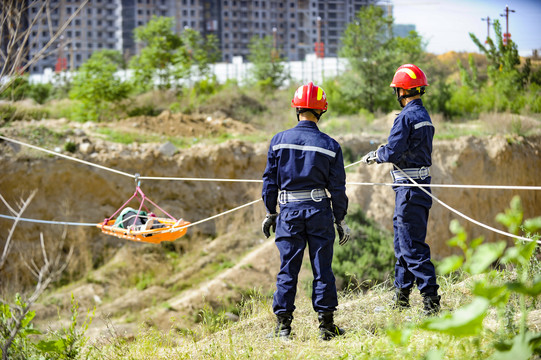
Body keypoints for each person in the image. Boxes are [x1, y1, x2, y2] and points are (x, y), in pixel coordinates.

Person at [261, 82, 351, 341]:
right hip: (319, 212)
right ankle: (326, 327)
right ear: (321, 111)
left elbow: (269, 181)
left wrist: (270, 211)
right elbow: (338, 188)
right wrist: (340, 219)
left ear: (297, 108)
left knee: (288, 268)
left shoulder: (278, 141)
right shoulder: (331, 145)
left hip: (289, 213)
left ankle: (282, 328)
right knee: (323, 268)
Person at [361, 64, 441, 316]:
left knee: (412, 246)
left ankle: (431, 303)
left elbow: (393, 151)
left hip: (408, 189)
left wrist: (377, 154)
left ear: (401, 91)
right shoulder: (424, 115)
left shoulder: (405, 117)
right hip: (415, 188)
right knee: (402, 243)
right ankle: (401, 300)